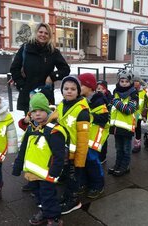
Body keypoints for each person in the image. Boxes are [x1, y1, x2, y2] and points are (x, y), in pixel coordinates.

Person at [12, 93, 65, 226]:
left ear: (47, 111)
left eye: (41, 110)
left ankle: (54, 218)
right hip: (33, 172)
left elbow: (59, 154)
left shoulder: (53, 131)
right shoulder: (30, 128)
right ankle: (43, 212)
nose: (37, 114)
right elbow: (23, 149)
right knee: (38, 195)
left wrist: (55, 171)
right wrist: (17, 166)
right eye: (34, 111)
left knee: (48, 196)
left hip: (47, 172)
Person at [10, 22, 71, 114]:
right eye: (41, 32)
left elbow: (65, 69)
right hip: (28, 93)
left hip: (46, 93)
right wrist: (22, 85)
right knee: (29, 123)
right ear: (36, 33)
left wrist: (52, 77)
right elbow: (14, 68)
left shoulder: (53, 52)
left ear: (49, 36)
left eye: (46, 33)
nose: (43, 35)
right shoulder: (26, 48)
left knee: (46, 124)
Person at [56, 76, 90, 215]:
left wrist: (80, 159)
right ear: (62, 90)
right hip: (64, 152)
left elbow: (83, 139)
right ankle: (67, 196)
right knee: (67, 178)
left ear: (78, 91)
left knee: (74, 177)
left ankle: (74, 201)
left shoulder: (82, 111)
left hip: (76, 153)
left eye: (73, 89)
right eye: (66, 88)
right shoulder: (62, 105)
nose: (69, 91)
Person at [78, 73, 109, 199]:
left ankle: (98, 185)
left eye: (80, 85)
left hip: (95, 134)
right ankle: (86, 182)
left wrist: (88, 116)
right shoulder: (81, 99)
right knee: (83, 159)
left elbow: (104, 118)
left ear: (89, 87)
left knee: (92, 160)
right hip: (85, 133)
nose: (77, 87)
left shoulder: (99, 100)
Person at [108, 69, 138, 176]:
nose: (124, 84)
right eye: (122, 81)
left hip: (126, 127)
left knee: (126, 149)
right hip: (116, 127)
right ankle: (117, 164)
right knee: (118, 148)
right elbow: (111, 106)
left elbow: (129, 109)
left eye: (126, 81)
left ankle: (125, 166)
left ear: (130, 82)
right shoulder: (116, 92)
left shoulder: (133, 94)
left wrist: (116, 102)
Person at [96, 80, 113, 164]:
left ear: (105, 90)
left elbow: (110, 110)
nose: (99, 90)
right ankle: (97, 156)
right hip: (97, 122)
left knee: (103, 140)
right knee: (96, 140)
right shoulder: (94, 97)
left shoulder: (109, 98)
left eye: (101, 88)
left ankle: (102, 157)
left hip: (105, 123)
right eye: (97, 88)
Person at [132, 74, 148, 153]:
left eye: (137, 81)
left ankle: (137, 145)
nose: (136, 83)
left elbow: (145, 104)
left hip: (138, 114)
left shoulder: (143, 92)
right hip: (130, 113)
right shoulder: (130, 90)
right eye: (134, 81)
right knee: (130, 129)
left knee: (137, 129)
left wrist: (144, 115)